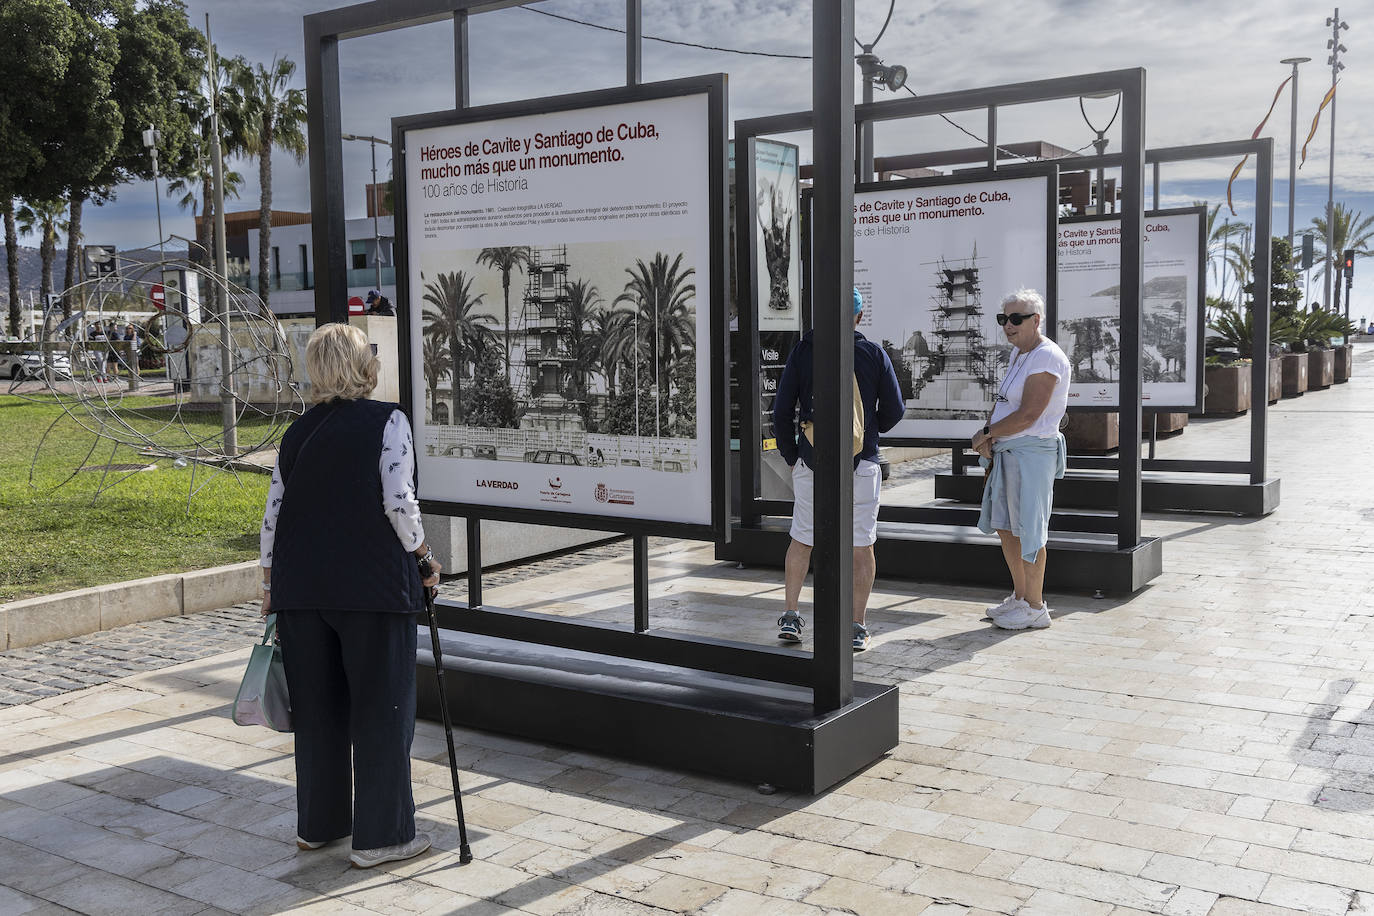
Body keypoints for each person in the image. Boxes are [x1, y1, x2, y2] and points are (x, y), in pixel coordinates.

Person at [258, 322, 442, 869]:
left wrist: (269, 584)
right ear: (364, 365)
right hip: (372, 587)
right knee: (383, 710)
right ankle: (384, 837)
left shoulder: (298, 432)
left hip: (301, 589)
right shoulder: (388, 421)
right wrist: (425, 557)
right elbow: (398, 500)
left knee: (318, 711)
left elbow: (273, 515)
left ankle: (320, 826)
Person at [772, 288, 904, 652]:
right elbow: (894, 411)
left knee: (802, 537)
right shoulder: (873, 354)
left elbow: (781, 410)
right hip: (862, 463)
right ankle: (857, 624)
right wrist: (868, 431)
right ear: (859, 317)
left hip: (813, 461)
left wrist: (792, 454)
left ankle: (790, 613)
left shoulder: (804, 351)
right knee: (862, 544)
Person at [971, 289, 1071, 631]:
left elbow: (1029, 414)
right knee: (1007, 526)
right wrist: (992, 436)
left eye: (1016, 319)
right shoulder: (1021, 355)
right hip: (1009, 452)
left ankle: (1035, 606)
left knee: (1030, 528)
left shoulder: (1046, 357)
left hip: (1031, 455)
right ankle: (1020, 596)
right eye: (1004, 319)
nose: (1008, 326)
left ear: (1036, 320)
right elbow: (1005, 403)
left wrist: (986, 432)